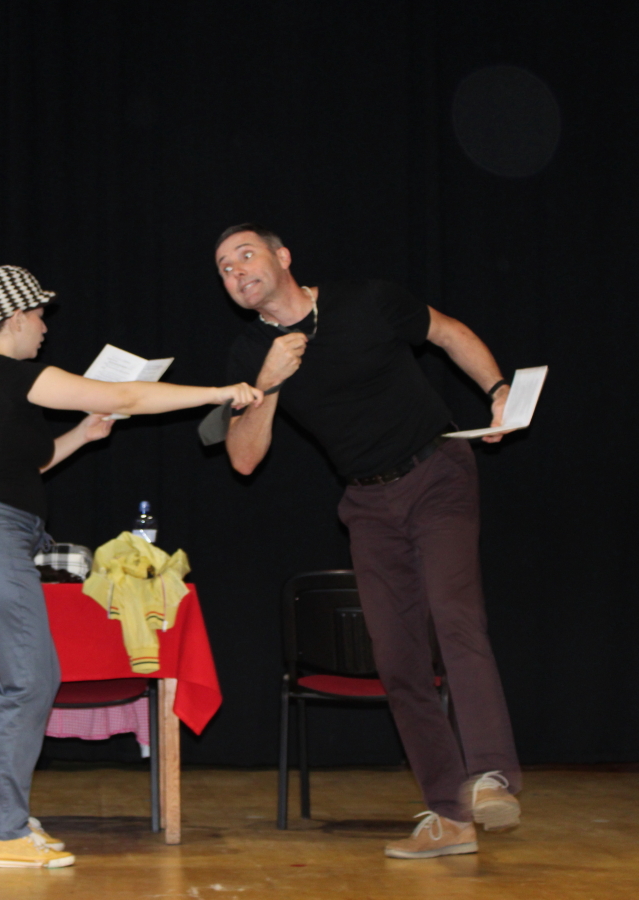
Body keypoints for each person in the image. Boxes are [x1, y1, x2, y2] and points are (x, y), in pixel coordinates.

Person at [0, 264, 262, 869]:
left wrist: (84, 435)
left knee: (22, 681)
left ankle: (1, 817)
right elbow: (127, 395)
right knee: (31, 682)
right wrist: (219, 392)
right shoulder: (5, 373)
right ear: (13, 318)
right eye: (38, 316)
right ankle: (5, 835)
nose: (44, 328)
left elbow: (17, 469)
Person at [214, 225, 521, 860]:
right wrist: (270, 380)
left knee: (454, 615)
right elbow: (243, 459)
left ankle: (491, 777)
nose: (237, 271)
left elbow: (448, 333)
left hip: (437, 470)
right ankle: (450, 816)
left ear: (282, 257)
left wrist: (497, 392)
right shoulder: (250, 354)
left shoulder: (365, 299)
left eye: (246, 255)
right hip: (368, 503)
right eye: (224, 268)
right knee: (397, 656)